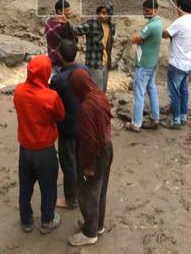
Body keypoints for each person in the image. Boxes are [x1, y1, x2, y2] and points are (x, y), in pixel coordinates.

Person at [14, 55, 65, 234]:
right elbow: (60, 115)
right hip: (45, 150)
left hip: (25, 148)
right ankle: (47, 220)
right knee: (48, 187)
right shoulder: (50, 97)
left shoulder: (19, 91)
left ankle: (26, 221)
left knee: (25, 186)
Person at [68, 69, 113, 247]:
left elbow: (89, 141)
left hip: (95, 154)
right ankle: (97, 225)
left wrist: (88, 166)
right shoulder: (100, 96)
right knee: (101, 190)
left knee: (88, 193)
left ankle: (89, 232)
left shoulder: (86, 107)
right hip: (107, 148)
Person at [49, 37, 85, 210]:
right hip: (84, 123)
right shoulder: (84, 70)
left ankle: (70, 199)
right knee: (80, 159)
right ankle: (81, 191)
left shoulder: (59, 80)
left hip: (68, 126)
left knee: (68, 163)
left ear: (60, 55)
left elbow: (51, 101)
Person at [162, 0, 191, 129]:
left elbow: (166, 34)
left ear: (180, 8)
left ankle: (176, 120)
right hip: (188, 63)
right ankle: (183, 117)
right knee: (184, 91)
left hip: (177, 63)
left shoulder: (180, 22)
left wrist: (160, 29)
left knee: (174, 93)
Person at [127, 0, 163, 132]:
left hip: (144, 64)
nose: (144, 13)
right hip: (152, 63)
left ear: (155, 10)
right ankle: (155, 117)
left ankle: (136, 123)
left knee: (139, 94)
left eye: (147, 10)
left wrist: (135, 39)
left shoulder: (150, 26)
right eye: (144, 10)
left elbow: (137, 38)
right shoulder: (158, 22)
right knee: (152, 89)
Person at [71, 2, 115, 93]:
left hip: (105, 63)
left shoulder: (111, 27)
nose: (101, 15)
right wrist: (66, 24)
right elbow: (77, 30)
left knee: (103, 92)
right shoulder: (92, 23)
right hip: (94, 63)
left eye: (104, 13)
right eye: (100, 12)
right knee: (95, 92)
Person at [45, 0, 73, 70]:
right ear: (59, 11)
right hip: (62, 63)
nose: (69, 12)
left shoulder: (47, 21)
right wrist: (67, 25)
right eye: (66, 11)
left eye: (69, 10)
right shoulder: (62, 25)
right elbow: (71, 41)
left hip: (51, 59)